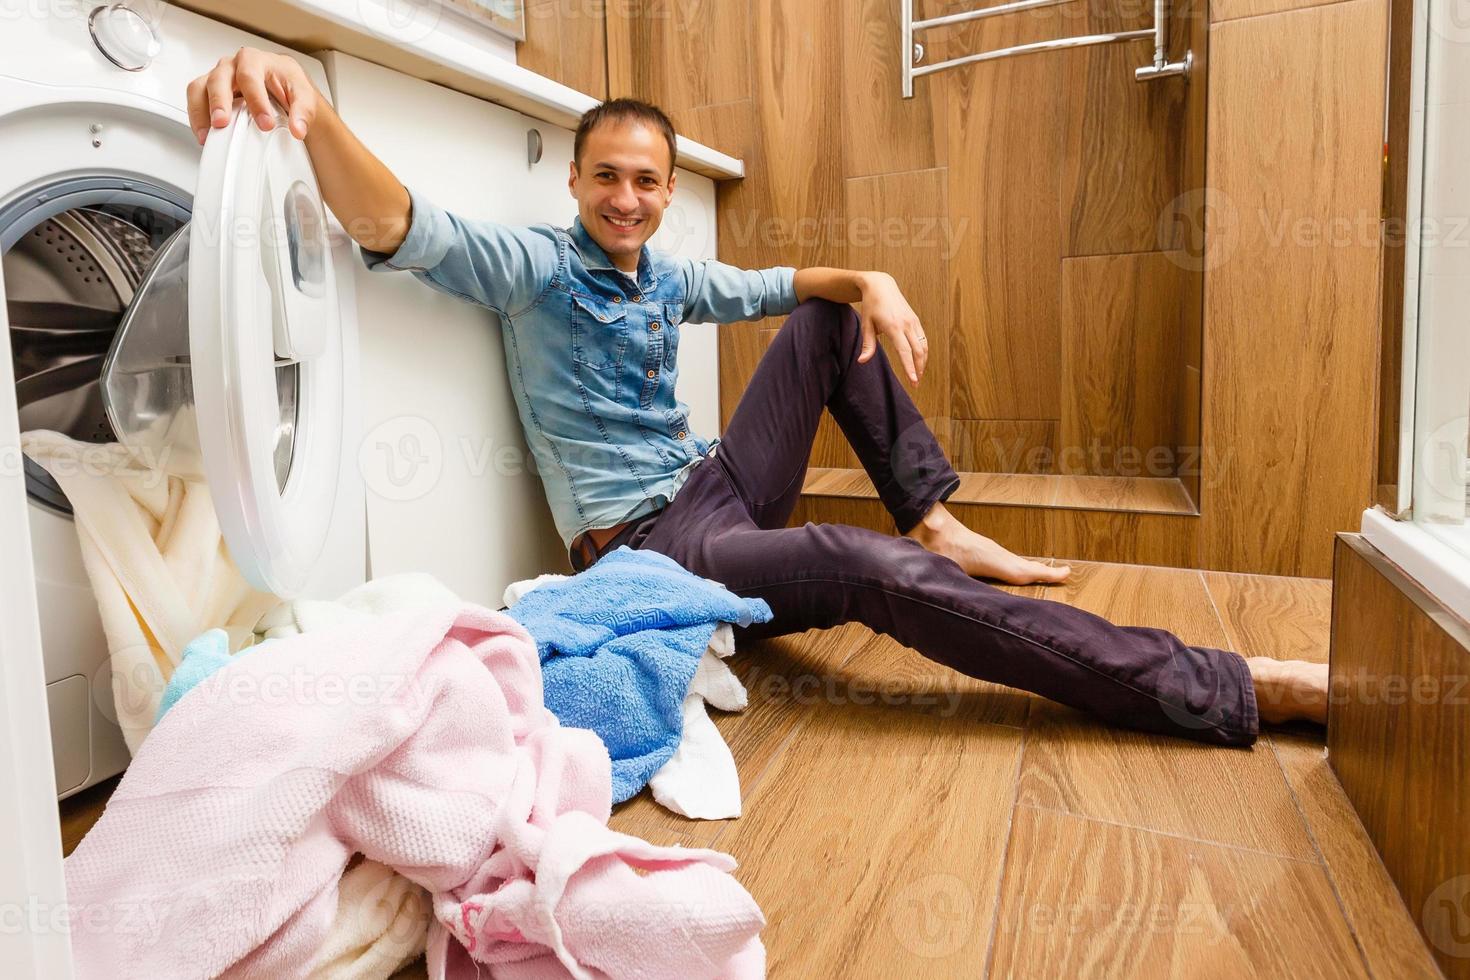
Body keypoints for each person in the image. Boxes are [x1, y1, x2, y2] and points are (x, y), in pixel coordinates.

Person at [186, 49, 1329, 743]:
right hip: (654, 546)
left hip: (718, 485)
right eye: (606, 177)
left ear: (669, 191)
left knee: (832, 319)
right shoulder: (537, 269)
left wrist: (871, 279)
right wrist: (311, 116)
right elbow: (401, 227)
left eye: (646, 181)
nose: (625, 198)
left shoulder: (670, 273)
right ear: (574, 180)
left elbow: (797, 286)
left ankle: (932, 511)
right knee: (868, 568)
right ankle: (1220, 686)